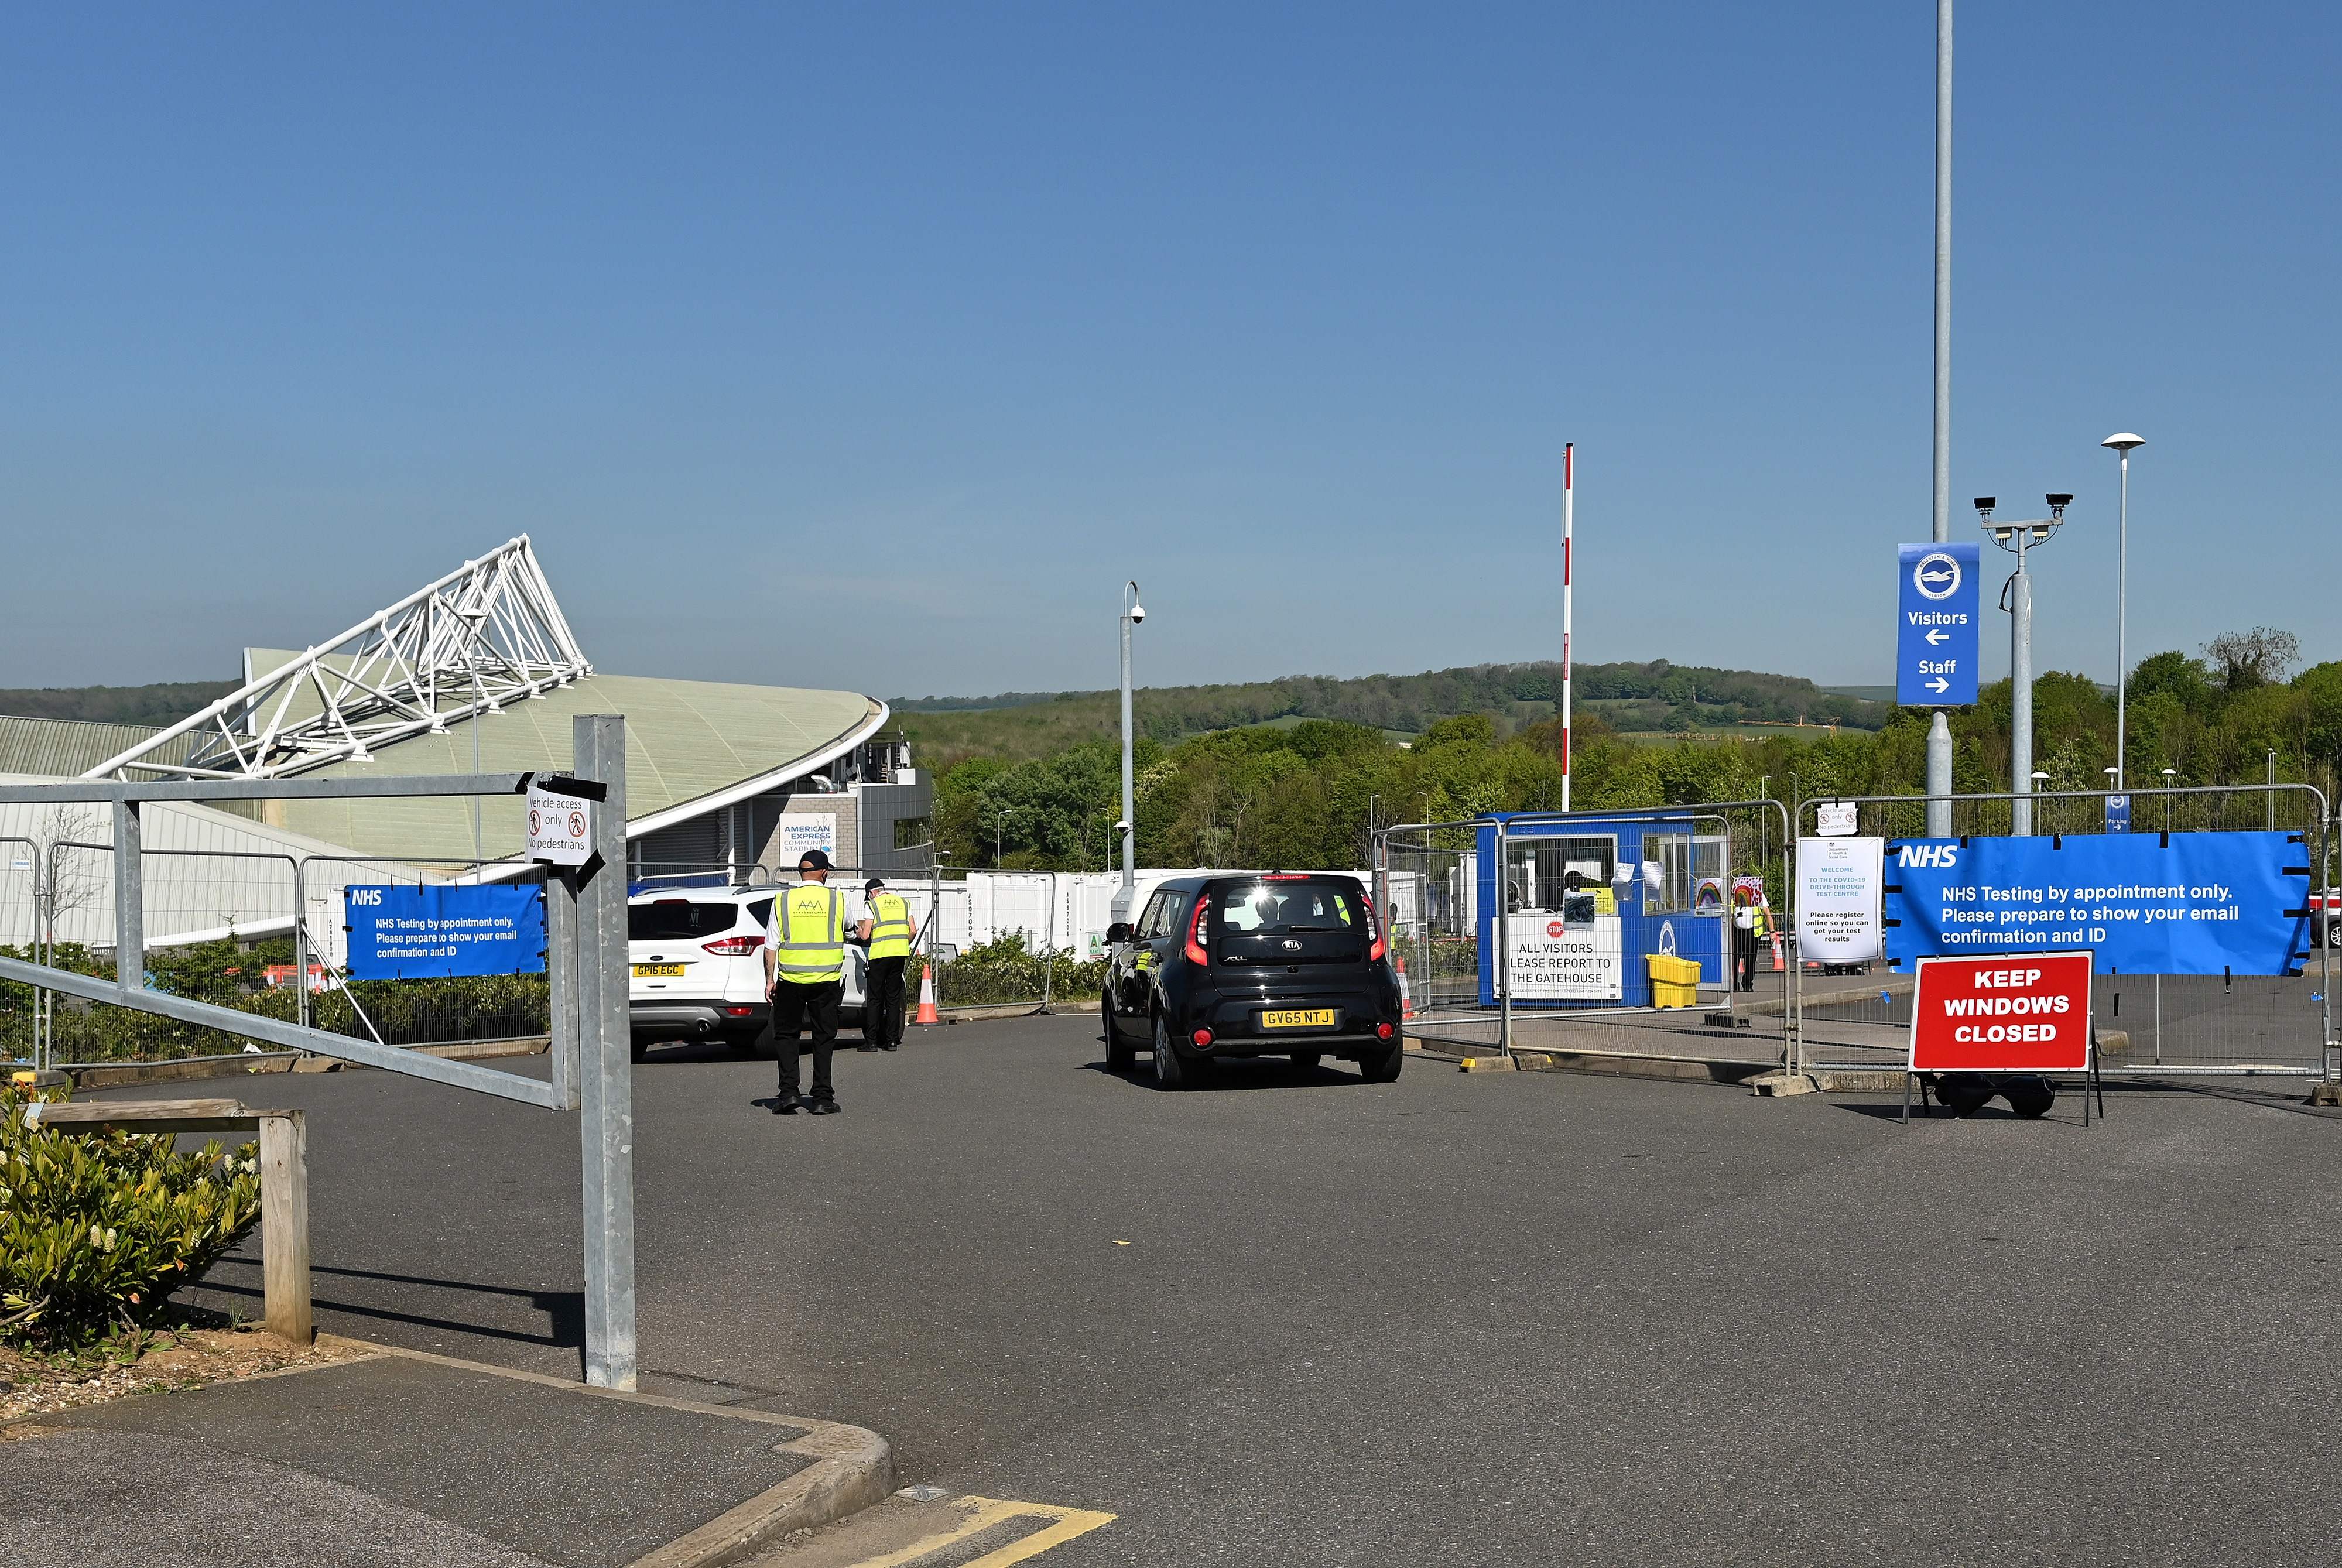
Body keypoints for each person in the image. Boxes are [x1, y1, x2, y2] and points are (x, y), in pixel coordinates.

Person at [764, 850, 867, 1115]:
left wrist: (769, 981)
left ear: (801, 873)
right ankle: (822, 1098)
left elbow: (771, 945)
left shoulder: (783, 900)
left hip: (790, 980)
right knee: (824, 1037)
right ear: (825, 873)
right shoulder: (837, 899)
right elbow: (849, 929)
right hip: (826, 981)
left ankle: (788, 1094)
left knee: (787, 1036)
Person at [860, 877, 914, 1052]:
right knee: (893, 998)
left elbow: (866, 935)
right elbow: (913, 930)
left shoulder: (872, 905)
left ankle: (871, 1042)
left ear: (871, 893)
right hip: (899, 955)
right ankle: (892, 1041)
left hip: (879, 956)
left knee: (875, 999)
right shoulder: (903, 903)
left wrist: (859, 932)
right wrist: (903, 943)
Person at [1731, 885, 1771, 993]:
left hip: (1752, 932)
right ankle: (1734, 985)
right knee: (1734, 959)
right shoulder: (1735, 895)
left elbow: (1767, 913)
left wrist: (1772, 931)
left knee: (1750, 959)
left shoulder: (1758, 895)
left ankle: (1747, 984)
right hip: (1737, 931)